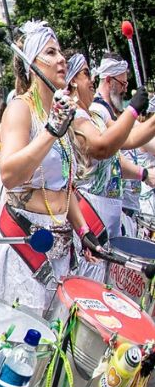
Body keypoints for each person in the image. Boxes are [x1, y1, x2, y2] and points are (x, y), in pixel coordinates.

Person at [0, 21, 86, 316]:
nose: (62, 59)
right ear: (32, 64)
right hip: (26, 244)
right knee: (18, 347)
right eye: (51, 52)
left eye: (60, 52)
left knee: (52, 347)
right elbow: (9, 175)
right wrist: (51, 131)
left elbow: (66, 185)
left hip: (60, 244)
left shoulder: (59, 112)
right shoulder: (21, 109)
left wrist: (85, 232)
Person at [67, 53, 153, 272]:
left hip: (109, 214)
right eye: (86, 73)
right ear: (72, 81)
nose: (92, 80)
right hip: (90, 214)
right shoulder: (79, 114)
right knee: (90, 283)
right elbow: (103, 147)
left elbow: (130, 139)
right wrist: (133, 109)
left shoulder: (95, 116)